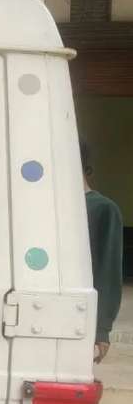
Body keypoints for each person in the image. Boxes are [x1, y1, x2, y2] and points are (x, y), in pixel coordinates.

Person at [81, 140, 123, 362]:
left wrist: (101, 329)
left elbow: (109, 272)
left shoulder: (103, 209)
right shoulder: (42, 205)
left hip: (80, 316)